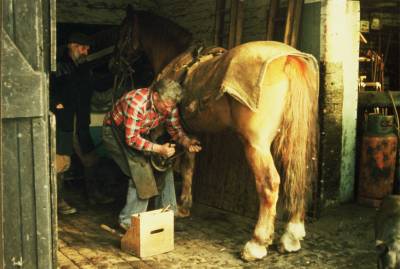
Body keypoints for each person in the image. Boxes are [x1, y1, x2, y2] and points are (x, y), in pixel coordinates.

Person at [102, 79, 201, 230]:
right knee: (140, 172)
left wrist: (187, 142)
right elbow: (132, 139)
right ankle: (128, 222)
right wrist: (159, 148)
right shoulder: (136, 102)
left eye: (172, 107)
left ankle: (167, 214)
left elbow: (174, 129)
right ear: (155, 96)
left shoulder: (170, 104)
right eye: (166, 106)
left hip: (139, 133)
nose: (169, 110)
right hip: (115, 133)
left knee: (163, 166)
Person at [50, 32, 113, 215]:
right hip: (63, 121)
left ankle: (94, 194)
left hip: (81, 123)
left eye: (87, 49)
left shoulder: (83, 67)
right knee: (60, 163)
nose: (86, 52)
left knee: (90, 159)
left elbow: (97, 84)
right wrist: (57, 106)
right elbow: (47, 89)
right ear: (72, 45)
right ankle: (58, 202)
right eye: (83, 48)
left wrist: (115, 74)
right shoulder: (58, 65)